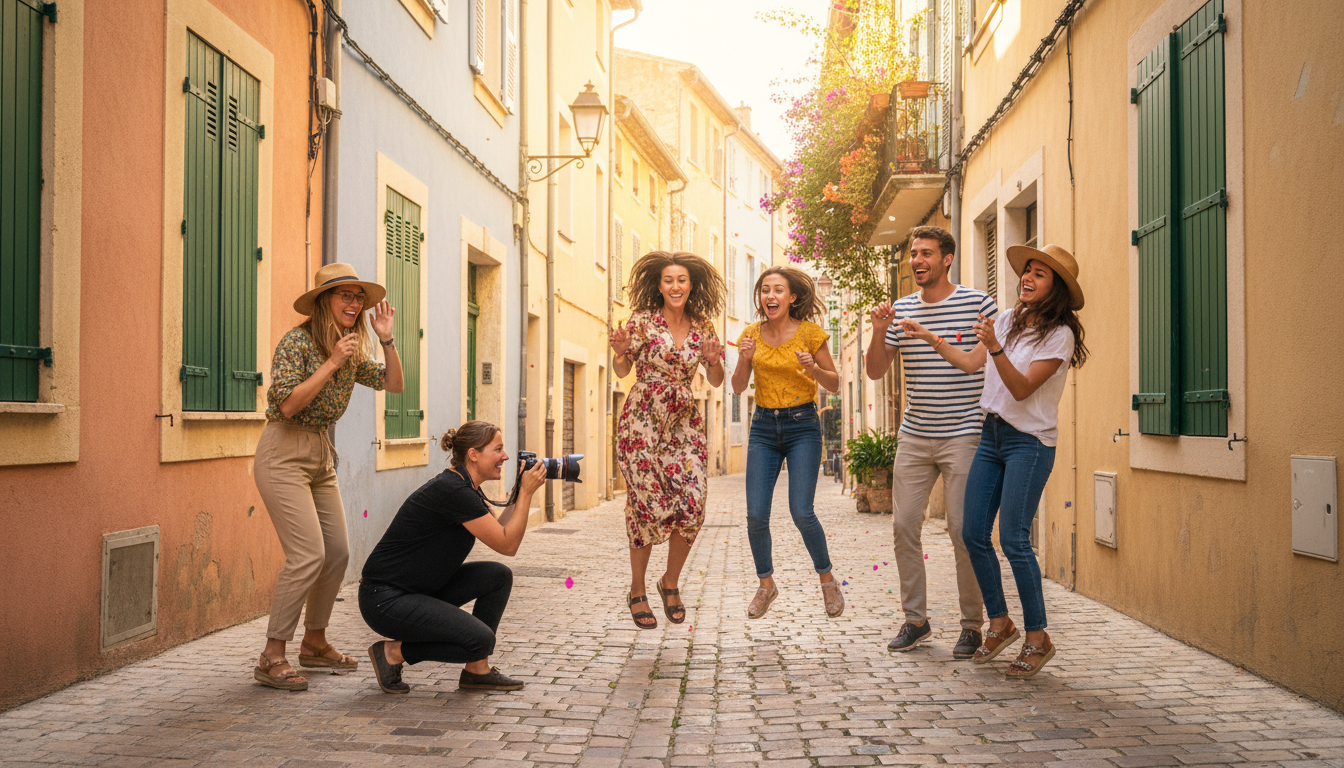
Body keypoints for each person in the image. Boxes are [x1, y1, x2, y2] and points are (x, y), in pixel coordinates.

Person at [897, 243, 1087, 678]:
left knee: (1014, 539)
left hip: (1030, 443)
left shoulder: (1060, 335)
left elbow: (1022, 389)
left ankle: (1038, 638)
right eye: (1028, 270)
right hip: (992, 437)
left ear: (1055, 288)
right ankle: (1000, 623)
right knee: (972, 532)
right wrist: (929, 337)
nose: (1028, 277)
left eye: (1040, 274)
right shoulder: (1006, 320)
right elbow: (969, 363)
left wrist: (997, 348)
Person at [252, 263, 404, 691]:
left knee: (336, 552)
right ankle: (272, 654)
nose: (356, 304)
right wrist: (332, 362)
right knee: (307, 555)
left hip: (321, 453)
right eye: (346, 296)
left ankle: (315, 641)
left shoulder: (354, 350)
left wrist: (386, 340)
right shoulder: (296, 344)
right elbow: (286, 405)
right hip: (283, 451)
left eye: (360, 298)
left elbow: (394, 385)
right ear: (324, 301)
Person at [864, 225, 998, 658]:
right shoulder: (901, 309)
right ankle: (915, 621)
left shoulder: (978, 303)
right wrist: (878, 329)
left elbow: (977, 363)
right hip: (915, 436)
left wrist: (929, 337)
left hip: (964, 433)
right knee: (903, 527)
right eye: (913, 254)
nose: (917, 261)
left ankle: (971, 626)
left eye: (926, 253)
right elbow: (875, 371)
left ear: (947, 259)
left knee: (963, 531)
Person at [360, 422, 548, 694]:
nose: (505, 457)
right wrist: (528, 493)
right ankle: (393, 653)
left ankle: (476, 671)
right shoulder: (454, 491)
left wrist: (519, 492)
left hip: (419, 590)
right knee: (481, 640)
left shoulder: (464, 485)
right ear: (474, 454)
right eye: (498, 449)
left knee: (497, 576)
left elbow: (500, 531)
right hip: (385, 599)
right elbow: (508, 544)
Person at [610, 251, 726, 629]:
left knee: (693, 503)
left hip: (683, 422)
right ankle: (637, 588)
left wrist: (711, 361)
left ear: (691, 285)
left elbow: (717, 380)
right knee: (645, 503)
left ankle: (670, 582)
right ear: (658, 286)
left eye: (681, 280)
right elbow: (623, 369)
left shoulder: (704, 327)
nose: (675, 286)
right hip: (642, 417)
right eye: (668, 281)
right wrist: (619, 353)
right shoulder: (642, 322)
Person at [731, 265, 843, 620]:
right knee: (755, 514)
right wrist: (744, 358)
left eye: (778, 290)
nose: (771, 296)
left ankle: (827, 580)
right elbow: (736, 386)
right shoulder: (750, 334)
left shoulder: (810, 333)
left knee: (801, 511)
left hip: (802, 426)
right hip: (764, 426)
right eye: (765, 290)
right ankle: (766, 585)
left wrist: (813, 369)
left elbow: (835, 383)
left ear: (792, 297)